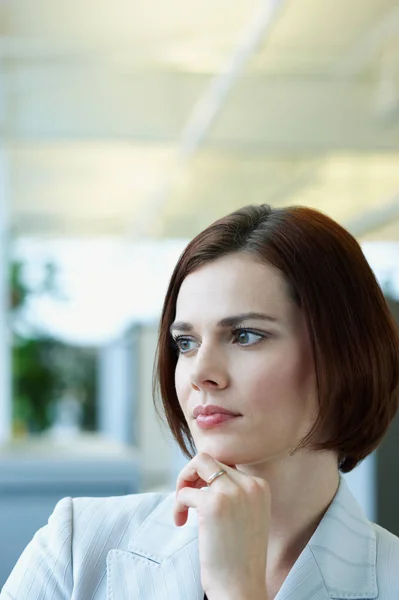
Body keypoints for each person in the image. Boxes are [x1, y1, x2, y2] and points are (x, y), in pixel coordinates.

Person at [2, 203, 399, 600]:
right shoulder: (76, 547)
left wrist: (236, 591)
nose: (200, 372)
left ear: (345, 352)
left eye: (245, 335)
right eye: (186, 343)